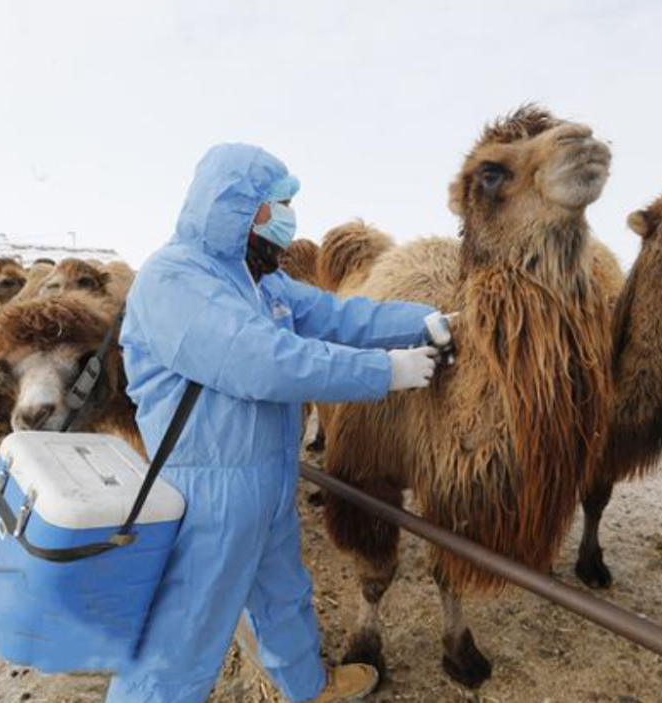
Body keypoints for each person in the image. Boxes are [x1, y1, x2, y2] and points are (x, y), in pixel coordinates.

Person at [109, 143, 449, 703]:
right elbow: (259, 361)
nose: (290, 217)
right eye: (280, 203)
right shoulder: (173, 279)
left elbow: (341, 315)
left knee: (283, 596)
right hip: (207, 487)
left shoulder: (259, 281)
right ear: (236, 207)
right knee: (185, 632)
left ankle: (308, 688)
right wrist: (383, 373)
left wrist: (426, 321)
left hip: (267, 476)